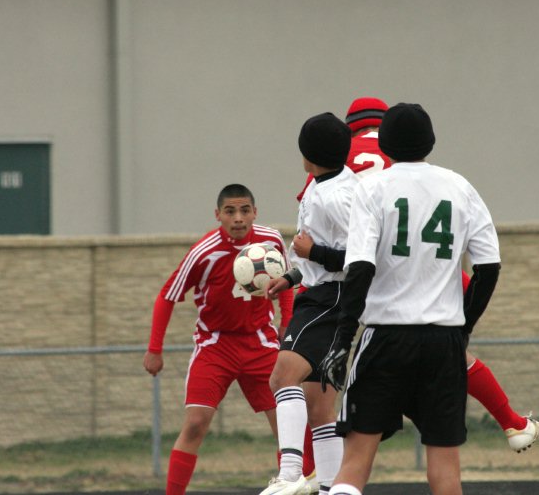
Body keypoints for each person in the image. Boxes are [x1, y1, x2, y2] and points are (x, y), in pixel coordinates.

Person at [338, 96, 539, 453]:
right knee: (454, 354)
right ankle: (511, 422)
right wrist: (464, 326)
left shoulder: (343, 153)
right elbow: (487, 262)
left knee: (312, 384)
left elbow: (319, 206)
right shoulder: (449, 179)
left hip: (380, 271)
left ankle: (302, 466)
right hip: (435, 267)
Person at [318, 103, 502, 495]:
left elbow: (360, 269)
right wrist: (463, 327)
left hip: (385, 337)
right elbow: (489, 267)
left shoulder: (372, 187)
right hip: (443, 340)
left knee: (354, 463)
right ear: (430, 142)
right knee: (446, 470)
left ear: (385, 143)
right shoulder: (460, 186)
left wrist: (342, 338)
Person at [143, 184, 302, 495]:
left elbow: (286, 281)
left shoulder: (270, 241)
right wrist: (154, 349)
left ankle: (294, 487)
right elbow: (167, 296)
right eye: (230, 211)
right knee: (195, 424)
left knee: (287, 426)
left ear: (255, 212)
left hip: (260, 343)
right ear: (218, 215)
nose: (238, 218)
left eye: (245, 210)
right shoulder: (204, 252)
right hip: (215, 345)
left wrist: (288, 322)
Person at [258, 113, 358, 495]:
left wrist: (312, 251)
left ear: (307, 154)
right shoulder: (325, 183)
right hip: (319, 292)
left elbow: (359, 260)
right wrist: (293, 275)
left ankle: (289, 474)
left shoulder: (337, 197)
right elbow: (319, 253)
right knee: (318, 406)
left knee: (282, 377)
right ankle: (332, 487)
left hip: (329, 299)